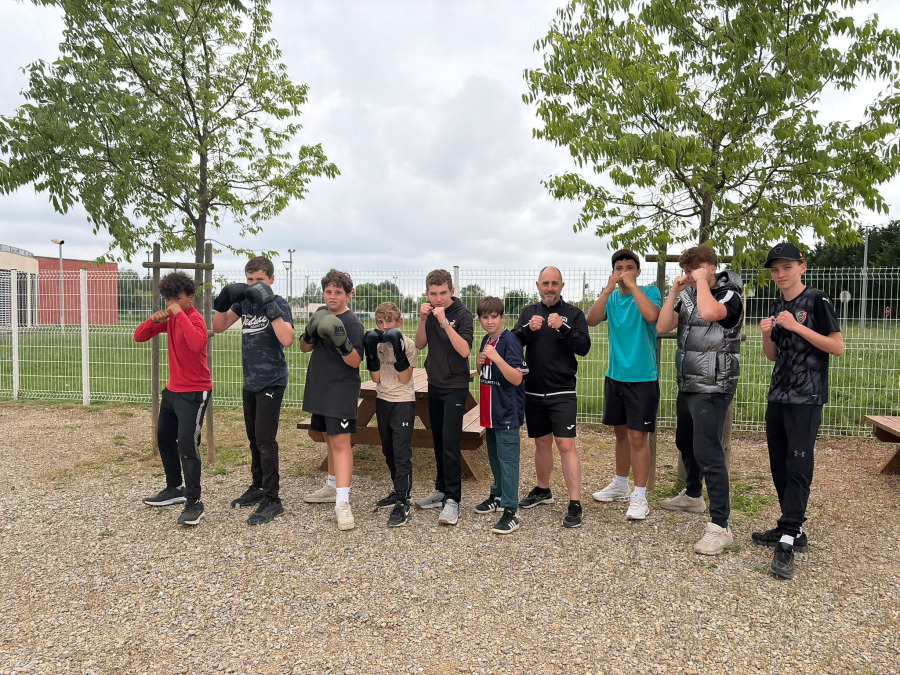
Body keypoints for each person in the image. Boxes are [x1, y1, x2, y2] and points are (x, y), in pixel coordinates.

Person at [754, 243, 844, 580]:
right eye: (775, 270)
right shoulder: (779, 305)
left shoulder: (817, 300)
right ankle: (790, 526)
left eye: (786, 268)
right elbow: (772, 356)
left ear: (802, 267)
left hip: (806, 397)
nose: (780, 274)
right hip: (778, 394)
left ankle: (790, 535)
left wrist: (797, 327)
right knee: (779, 461)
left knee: (798, 462)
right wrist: (768, 335)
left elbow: (837, 347)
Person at [656, 245, 743, 556]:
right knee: (686, 442)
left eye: (695, 269)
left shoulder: (730, 293)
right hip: (689, 381)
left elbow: (710, 313)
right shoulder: (689, 295)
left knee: (709, 450)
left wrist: (704, 281)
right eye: (687, 271)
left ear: (710, 267)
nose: (689, 276)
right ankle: (693, 495)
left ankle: (721, 525)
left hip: (714, 384)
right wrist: (674, 293)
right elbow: (663, 326)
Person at [212, 256, 294, 526]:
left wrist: (268, 305)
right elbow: (218, 327)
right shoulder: (244, 303)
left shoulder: (279, 303)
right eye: (250, 280)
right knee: (253, 438)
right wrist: (222, 304)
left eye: (259, 280)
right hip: (251, 381)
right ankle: (258, 486)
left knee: (265, 440)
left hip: (272, 381)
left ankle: (273, 499)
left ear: (271, 279)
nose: (254, 285)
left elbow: (288, 339)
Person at [512, 266, 591, 528]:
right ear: (537, 285)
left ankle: (575, 503)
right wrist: (527, 330)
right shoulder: (529, 313)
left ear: (562, 286)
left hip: (562, 391)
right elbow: (512, 342)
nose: (549, 287)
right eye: (545, 283)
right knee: (541, 443)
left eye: (554, 283)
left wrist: (563, 328)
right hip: (533, 389)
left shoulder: (574, 314)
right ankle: (543, 490)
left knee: (566, 445)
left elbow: (584, 348)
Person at [586, 250, 662, 521]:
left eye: (630, 267)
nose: (624, 271)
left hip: (642, 378)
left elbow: (653, 316)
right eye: (619, 267)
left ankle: (640, 496)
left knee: (638, 437)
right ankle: (620, 485)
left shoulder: (650, 292)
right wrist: (607, 290)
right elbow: (591, 319)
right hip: (615, 376)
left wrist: (632, 286)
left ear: (638, 272)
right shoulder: (613, 298)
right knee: (620, 435)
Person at [135, 271, 212, 527]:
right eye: (168, 299)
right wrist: (153, 319)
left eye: (177, 298)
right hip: (173, 390)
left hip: (194, 392)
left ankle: (194, 503)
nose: (171, 304)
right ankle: (174, 488)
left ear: (190, 297)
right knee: (164, 438)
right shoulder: (170, 317)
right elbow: (139, 336)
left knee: (187, 446)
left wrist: (178, 313)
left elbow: (198, 343)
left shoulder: (194, 318)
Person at [300, 269, 364, 531]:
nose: (333, 296)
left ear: (349, 294)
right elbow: (304, 348)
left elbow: (355, 361)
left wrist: (342, 342)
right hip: (320, 386)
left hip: (341, 389)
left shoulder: (353, 323)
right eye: (328, 291)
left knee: (341, 442)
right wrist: (311, 329)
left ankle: (343, 502)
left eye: (338, 292)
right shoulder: (321, 315)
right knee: (327, 436)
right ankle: (331, 485)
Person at [412, 269, 474, 527]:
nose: (438, 299)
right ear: (427, 293)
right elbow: (419, 344)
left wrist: (445, 323)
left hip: (456, 385)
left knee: (450, 442)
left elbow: (464, 350)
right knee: (437, 439)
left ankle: (453, 500)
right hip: (434, 383)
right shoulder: (429, 312)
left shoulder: (463, 315)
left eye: (443, 293)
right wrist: (423, 319)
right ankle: (440, 490)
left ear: (452, 291)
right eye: (433, 294)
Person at [473, 297, 529, 534]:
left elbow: (517, 377)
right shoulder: (487, 340)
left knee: (508, 461)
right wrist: (478, 363)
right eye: (485, 317)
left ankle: (511, 510)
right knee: (495, 458)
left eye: (494, 316)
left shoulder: (510, 341)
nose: (489, 321)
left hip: (507, 412)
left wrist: (497, 358)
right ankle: (497, 495)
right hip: (489, 411)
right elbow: (482, 372)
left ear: (502, 317)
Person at [363, 301, 418, 527]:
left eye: (389, 322)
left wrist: (398, 351)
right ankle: (397, 490)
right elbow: (376, 379)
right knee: (387, 449)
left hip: (403, 401)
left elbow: (404, 379)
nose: (384, 327)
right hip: (383, 399)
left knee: (401, 451)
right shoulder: (377, 344)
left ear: (399, 323)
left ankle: (404, 500)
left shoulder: (408, 344)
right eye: (380, 322)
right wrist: (372, 354)